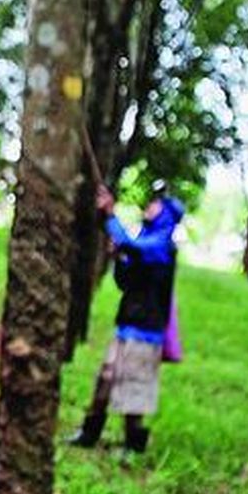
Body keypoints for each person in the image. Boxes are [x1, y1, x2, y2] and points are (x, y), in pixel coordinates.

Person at [68, 180, 184, 454]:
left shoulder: (163, 246)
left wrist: (110, 216)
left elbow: (133, 246)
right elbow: (125, 281)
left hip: (147, 331)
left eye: (156, 203)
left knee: (135, 386)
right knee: (105, 379)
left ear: (166, 213)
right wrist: (119, 258)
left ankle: (133, 444)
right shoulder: (145, 242)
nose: (150, 205)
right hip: (126, 326)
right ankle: (89, 433)